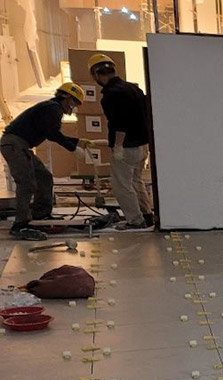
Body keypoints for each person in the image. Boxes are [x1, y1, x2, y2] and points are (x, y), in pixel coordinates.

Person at [1, 83, 93, 241]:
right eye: (75, 103)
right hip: (15, 144)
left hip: (20, 144)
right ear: (67, 97)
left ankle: (41, 214)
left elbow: (50, 132)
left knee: (44, 177)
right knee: (26, 183)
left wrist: (77, 141)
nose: (74, 108)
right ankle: (20, 225)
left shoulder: (51, 108)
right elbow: (52, 134)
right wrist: (72, 148)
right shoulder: (54, 109)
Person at [89, 53, 153, 231]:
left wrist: (118, 146)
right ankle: (147, 215)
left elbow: (119, 123)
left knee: (122, 185)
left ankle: (135, 220)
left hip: (126, 147)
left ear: (96, 74)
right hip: (142, 146)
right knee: (136, 181)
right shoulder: (133, 88)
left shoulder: (111, 95)